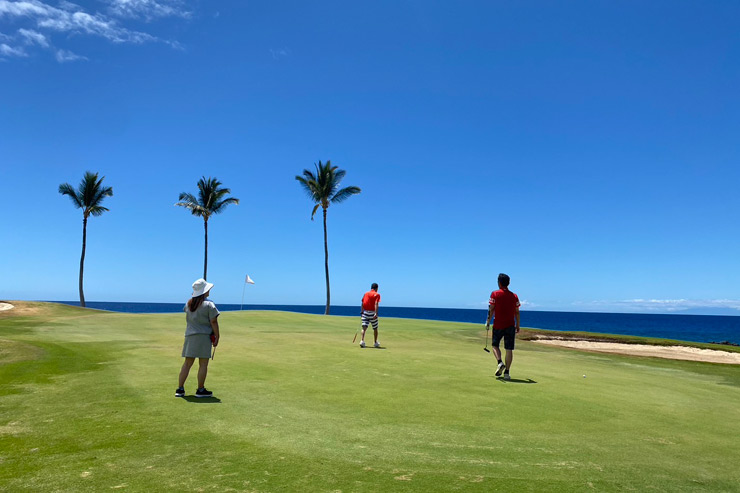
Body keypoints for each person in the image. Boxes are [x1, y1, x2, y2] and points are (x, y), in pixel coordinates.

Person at [176, 278, 220, 397]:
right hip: (204, 337)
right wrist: (217, 336)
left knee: (187, 363)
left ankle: (180, 389)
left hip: (190, 336)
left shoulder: (188, 304)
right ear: (204, 291)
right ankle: (200, 389)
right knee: (203, 364)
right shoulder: (209, 305)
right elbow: (213, 322)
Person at [485, 273, 520, 381]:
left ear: (499, 282)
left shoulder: (495, 294)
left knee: (495, 345)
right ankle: (507, 373)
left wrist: (487, 322)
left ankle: (500, 362)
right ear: (508, 283)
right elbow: (517, 312)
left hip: (498, 324)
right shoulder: (514, 296)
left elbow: (491, 309)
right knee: (509, 349)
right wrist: (518, 324)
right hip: (510, 325)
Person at [360, 283, 381, 348]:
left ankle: (362, 341)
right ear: (376, 288)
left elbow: (363, 303)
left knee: (364, 327)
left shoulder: (365, 294)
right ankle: (375, 342)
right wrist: (376, 313)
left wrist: (362, 311)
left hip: (365, 312)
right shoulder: (377, 294)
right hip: (372, 313)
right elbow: (376, 304)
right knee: (375, 328)